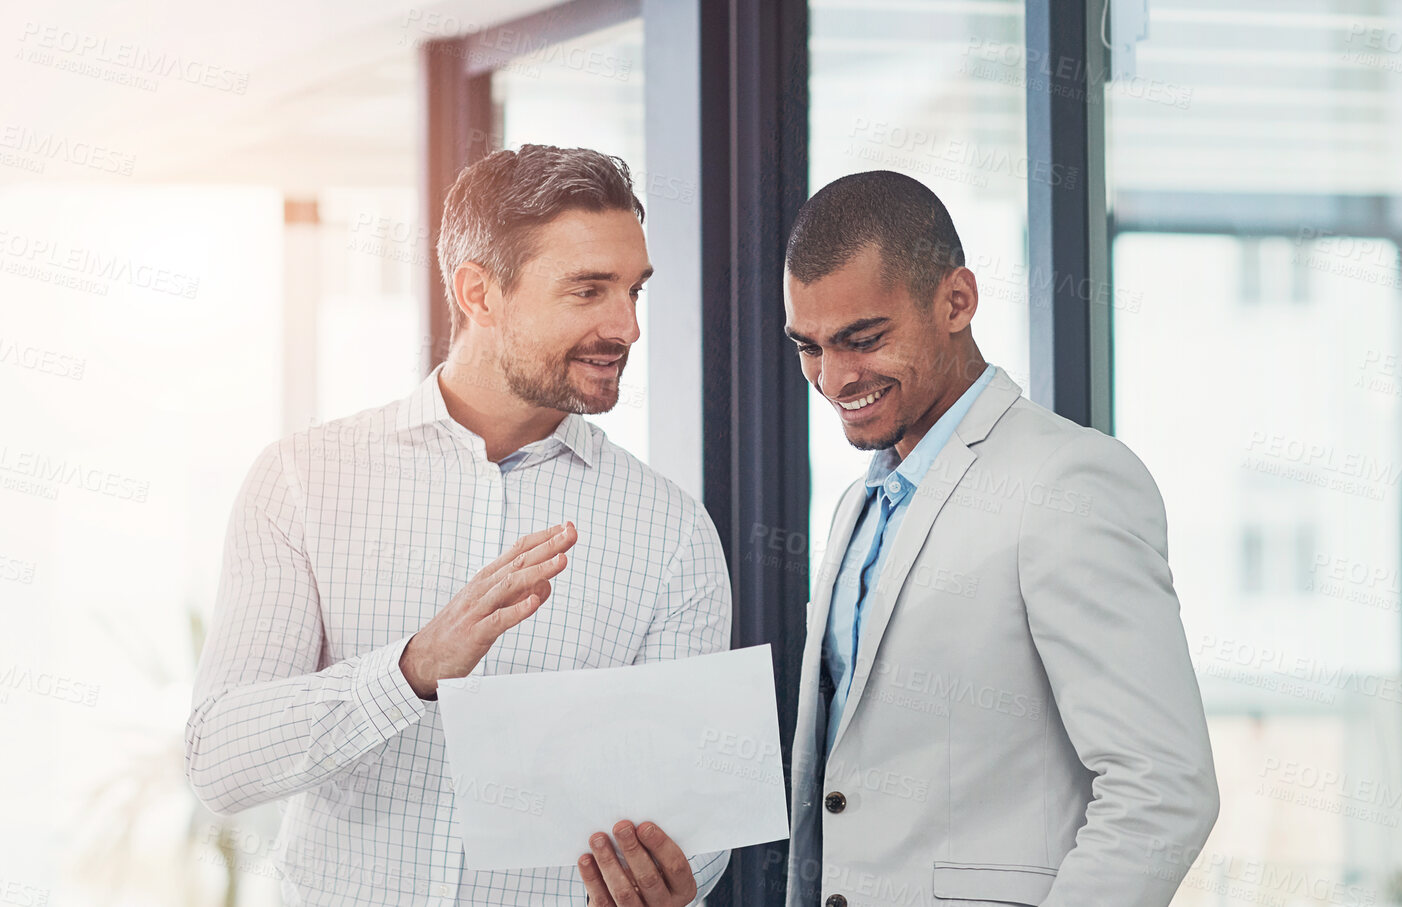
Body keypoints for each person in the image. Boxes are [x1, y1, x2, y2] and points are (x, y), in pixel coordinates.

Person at [186, 144, 728, 906]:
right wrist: (411, 670)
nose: (627, 326)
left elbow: (695, 840)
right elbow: (222, 760)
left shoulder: (671, 533)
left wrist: (668, 877)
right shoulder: (304, 480)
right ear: (480, 291)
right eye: (588, 290)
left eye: (633, 290)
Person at [778, 170, 1219, 906]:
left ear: (956, 301)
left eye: (863, 339)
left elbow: (1164, 788)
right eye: (809, 347)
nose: (832, 378)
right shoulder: (859, 503)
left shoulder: (1067, 480)